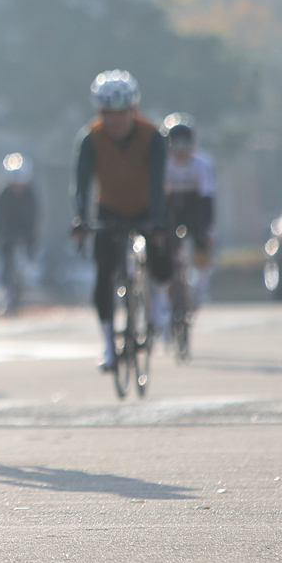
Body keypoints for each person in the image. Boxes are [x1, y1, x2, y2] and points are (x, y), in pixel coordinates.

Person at [72, 70, 174, 370]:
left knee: (161, 258)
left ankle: (159, 301)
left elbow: (157, 180)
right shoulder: (90, 139)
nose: (115, 120)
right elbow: (81, 185)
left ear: (134, 109)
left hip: (148, 206)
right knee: (103, 273)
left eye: (122, 113)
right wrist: (81, 219)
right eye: (108, 113)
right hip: (110, 208)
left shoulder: (152, 136)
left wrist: (156, 219)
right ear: (99, 112)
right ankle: (108, 344)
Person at [161, 114, 216, 310]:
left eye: (185, 144)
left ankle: (200, 288)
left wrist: (204, 228)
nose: (180, 150)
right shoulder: (163, 164)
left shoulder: (202, 164)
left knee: (203, 240)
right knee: (162, 245)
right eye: (175, 145)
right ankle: (166, 294)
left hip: (195, 207)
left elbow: (207, 199)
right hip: (170, 207)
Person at [0, 153, 38, 314]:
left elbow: (34, 217)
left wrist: (32, 238)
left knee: (28, 257)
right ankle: (6, 291)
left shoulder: (30, 193)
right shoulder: (2, 194)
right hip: (7, 231)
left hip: (25, 229)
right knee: (6, 260)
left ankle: (25, 284)